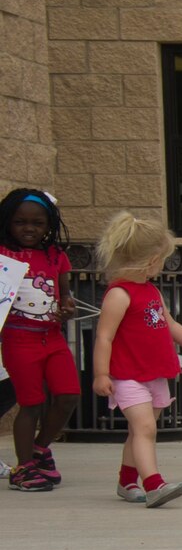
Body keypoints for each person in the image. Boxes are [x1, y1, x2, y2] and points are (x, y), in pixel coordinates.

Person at [91, 213, 182, 507]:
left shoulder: (151, 291)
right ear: (150, 260)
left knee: (141, 430)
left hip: (154, 374)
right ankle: (154, 484)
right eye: (161, 258)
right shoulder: (119, 295)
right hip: (128, 375)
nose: (161, 264)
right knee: (145, 428)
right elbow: (104, 338)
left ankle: (127, 481)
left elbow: (171, 325)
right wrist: (101, 374)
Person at [1, 188, 76, 493]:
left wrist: (68, 307)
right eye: (20, 222)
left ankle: (40, 450)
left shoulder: (56, 256)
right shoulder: (3, 255)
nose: (29, 229)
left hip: (53, 339)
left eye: (37, 223)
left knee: (69, 395)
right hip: (18, 341)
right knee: (31, 403)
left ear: (49, 226)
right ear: (7, 222)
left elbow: (66, 294)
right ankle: (23, 468)